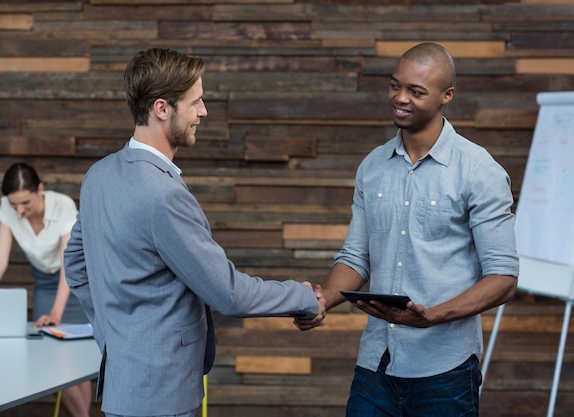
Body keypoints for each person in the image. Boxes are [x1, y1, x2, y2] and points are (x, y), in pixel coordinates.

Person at [63, 47, 325, 417]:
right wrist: (303, 297)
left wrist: (113, 333)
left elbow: (75, 264)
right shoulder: (164, 195)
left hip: (122, 391)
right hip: (162, 398)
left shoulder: (99, 176)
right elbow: (228, 293)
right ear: (161, 109)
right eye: (196, 102)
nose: (204, 112)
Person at [294, 42, 519, 416]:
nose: (400, 98)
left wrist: (433, 315)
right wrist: (320, 302)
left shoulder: (479, 171)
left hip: (445, 371)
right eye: (395, 86)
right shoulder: (373, 166)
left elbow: (504, 278)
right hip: (375, 364)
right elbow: (356, 257)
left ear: (447, 95)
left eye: (416, 91)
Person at [0, 162, 92, 417]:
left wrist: (56, 313)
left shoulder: (63, 205)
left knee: (75, 357)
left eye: (26, 204)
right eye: (13, 205)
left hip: (75, 280)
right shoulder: (8, 209)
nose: (19, 211)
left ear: (40, 189)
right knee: (53, 356)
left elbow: (69, 262)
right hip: (44, 283)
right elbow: (0, 259)